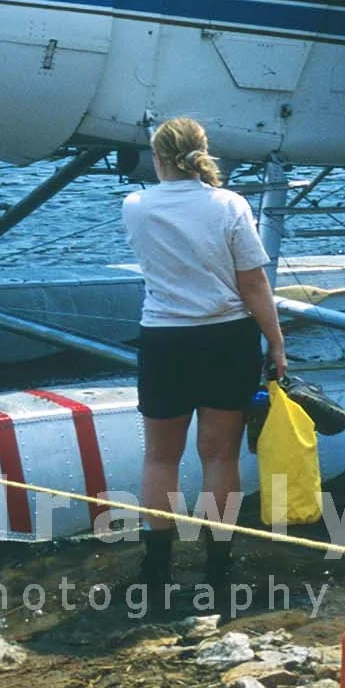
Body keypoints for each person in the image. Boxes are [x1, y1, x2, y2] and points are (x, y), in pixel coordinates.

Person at [122, 117, 287, 615]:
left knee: (160, 458)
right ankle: (219, 565)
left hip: (165, 340)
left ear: (158, 159)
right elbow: (254, 285)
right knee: (220, 457)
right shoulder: (230, 205)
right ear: (203, 153)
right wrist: (276, 345)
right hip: (226, 339)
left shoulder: (135, 207)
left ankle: (157, 566)